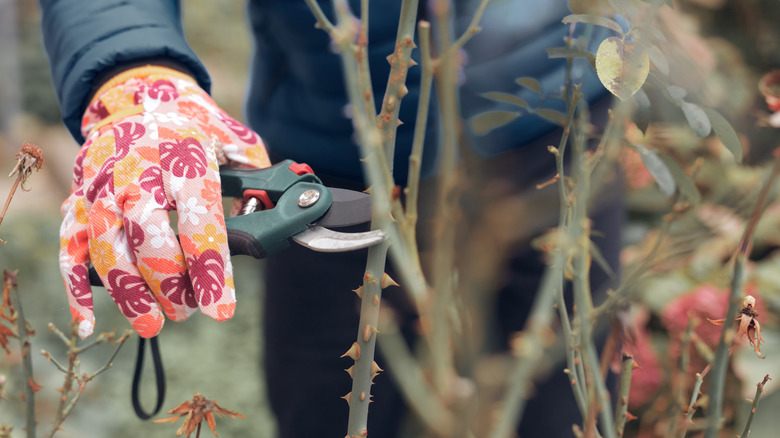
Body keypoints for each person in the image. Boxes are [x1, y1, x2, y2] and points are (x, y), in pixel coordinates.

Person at [40, 1, 621, 437]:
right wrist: (136, 75)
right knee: (329, 413)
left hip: (558, 128)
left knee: (566, 414)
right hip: (329, 151)